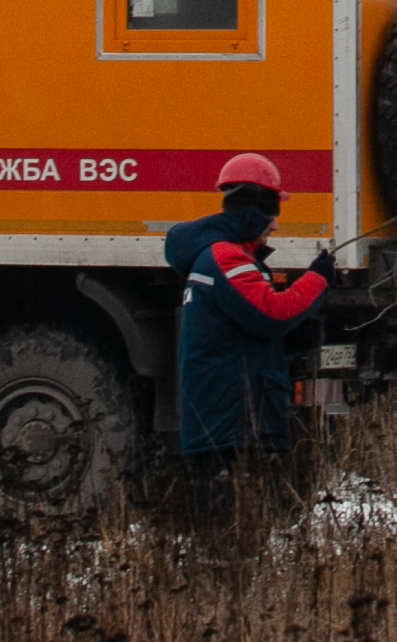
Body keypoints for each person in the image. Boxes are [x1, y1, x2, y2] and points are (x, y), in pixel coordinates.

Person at [163, 152, 335, 527]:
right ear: (253, 215)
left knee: (230, 514)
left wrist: (308, 331)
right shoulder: (227, 258)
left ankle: (225, 575)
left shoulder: (217, 257)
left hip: (225, 412)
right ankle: (224, 577)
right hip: (229, 415)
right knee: (228, 518)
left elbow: (246, 333)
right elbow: (271, 315)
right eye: (272, 215)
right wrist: (317, 279)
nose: (274, 226)